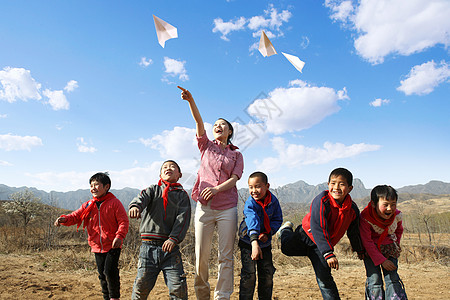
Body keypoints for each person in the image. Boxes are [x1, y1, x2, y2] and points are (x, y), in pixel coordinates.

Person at [178, 86, 244, 300]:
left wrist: (216, 189)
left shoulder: (236, 154)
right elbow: (198, 123)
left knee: (225, 256)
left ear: (229, 131)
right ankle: (202, 295)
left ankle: (222, 295)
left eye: (222, 125)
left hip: (227, 207)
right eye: (215, 124)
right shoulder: (205, 146)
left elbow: (234, 179)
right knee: (201, 255)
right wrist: (191, 101)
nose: (218, 127)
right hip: (204, 208)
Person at [280, 167, 364, 300]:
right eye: (333, 183)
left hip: (321, 247)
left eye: (341, 184)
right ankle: (285, 229)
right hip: (305, 236)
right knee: (285, 248)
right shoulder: (322, 200)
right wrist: (328, 253)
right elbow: (319, 227)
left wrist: (359, 249)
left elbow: (353, 232)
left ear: (350, 188)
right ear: (328, 184)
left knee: (325, 279)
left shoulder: (352, 209)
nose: (336, 187)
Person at [54, 172, 129, 300]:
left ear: (106, 187)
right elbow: (76, 216)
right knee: (102, 275)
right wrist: (64, 219)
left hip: (112, 244)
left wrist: (119, 236)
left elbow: (123, 221)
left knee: (110, 272)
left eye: (96, 185)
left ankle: (114, 297)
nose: (93, 188)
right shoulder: (89, 205)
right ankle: (107, 297)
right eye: (91, 185)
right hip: (96, 245)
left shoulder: (114, 203)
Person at [128, 160, 191, 300]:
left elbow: (183, 219)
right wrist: (135, 207)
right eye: (165, 167)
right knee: (141, 287)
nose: (168, 168)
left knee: (178, 287)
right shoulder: (153, 189)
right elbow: (141, 198)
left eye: (172, 166)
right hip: (147, 249)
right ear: (160, 174)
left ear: (179, 174)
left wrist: (173, 238)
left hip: (170, 250)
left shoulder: (182, 196)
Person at [238, 171, 283, 300]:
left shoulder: (273, 201)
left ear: (267, 186)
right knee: (249, 275)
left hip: (265, 243)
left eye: (258, 186)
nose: (254, 191)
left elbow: (277, 219)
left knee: (267, 274)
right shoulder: (250, 203)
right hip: (248, 242)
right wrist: (254, 242)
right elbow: (252, 221)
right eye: (250, 187)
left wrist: (268, 233)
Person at [360, 185, 407, 299]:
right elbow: (367, 241)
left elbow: (399, 231)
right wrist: (382, 260)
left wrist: (395, 246)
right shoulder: (366, 218)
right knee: (374, 280)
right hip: (371, 252)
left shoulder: (396, 216)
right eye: (385, 205)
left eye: (393, 204)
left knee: (393, 278)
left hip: (389, 248)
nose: (390, 208)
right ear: (373, 204)